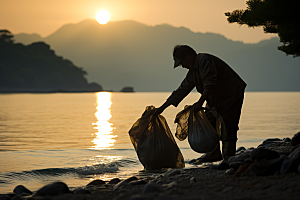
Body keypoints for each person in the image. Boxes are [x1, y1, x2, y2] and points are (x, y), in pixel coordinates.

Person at [153, 45, 246, 169]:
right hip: (215, 99)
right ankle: (214, 153)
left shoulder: (204, 60)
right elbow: (181, 90)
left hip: (231, 94)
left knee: (228, 124)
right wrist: (161, 108)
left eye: (182, 63)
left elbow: (210, 83)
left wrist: (200, 102)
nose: (182, 66)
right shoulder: (193, 72)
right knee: (207, 121)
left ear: (187, 56)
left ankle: (229, 158)